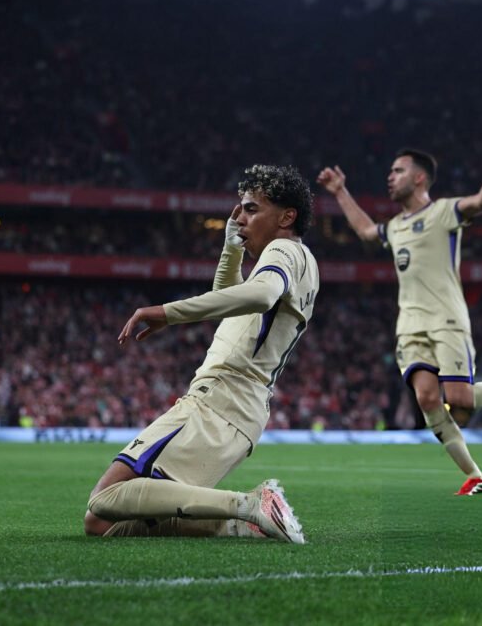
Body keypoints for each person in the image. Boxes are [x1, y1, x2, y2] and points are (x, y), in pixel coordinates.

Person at [84, 165, 319, 543]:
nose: (240, 218)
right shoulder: (301, 262)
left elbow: (260, 295)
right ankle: (242, 524)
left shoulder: (283, 249)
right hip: (239, 413)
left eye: (252, 209)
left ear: (287, 217)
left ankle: (249, 504)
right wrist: (231, 249)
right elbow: (234, 303)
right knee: (102, 524)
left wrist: (167, 312)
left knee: (104, 499)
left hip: (219, 401)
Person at [317, 141, 482, 497]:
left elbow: (480, 202)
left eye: (398, 171)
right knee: (426, 399)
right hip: (409, 325)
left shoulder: (444, 212)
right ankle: (476, 476)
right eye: (390, 172)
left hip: (447, 319)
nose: (389, 178)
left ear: (420, 177)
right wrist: (340, 191)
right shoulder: (394, 227)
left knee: (462, 398)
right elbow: (365, 231)